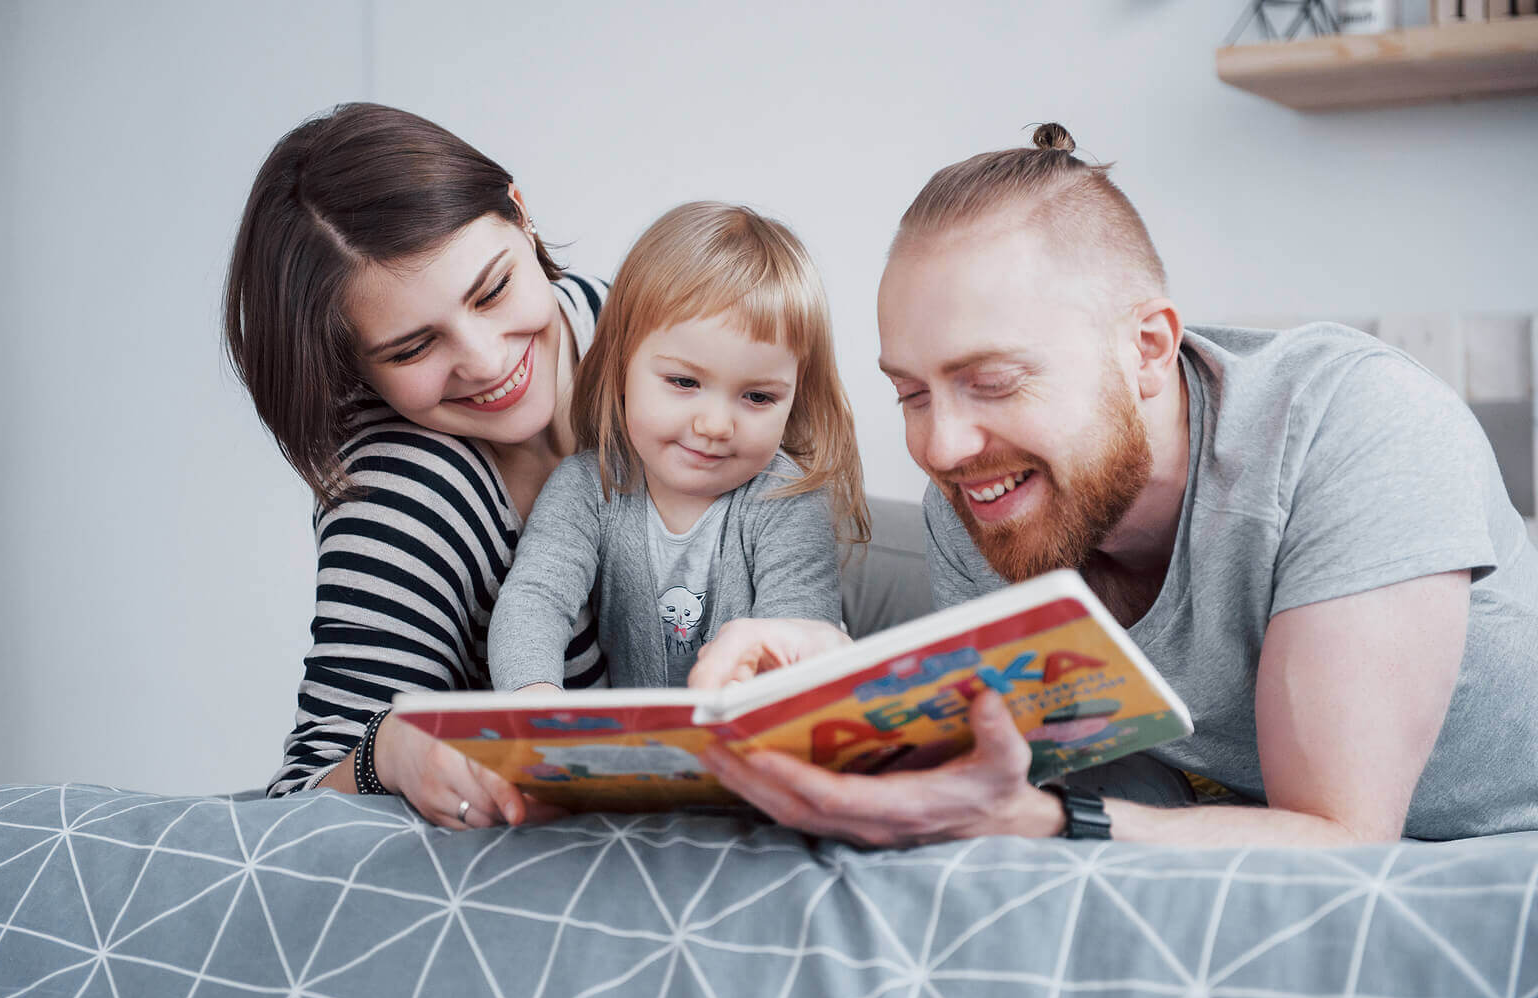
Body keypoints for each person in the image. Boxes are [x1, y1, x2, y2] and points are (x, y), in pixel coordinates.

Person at [693, 122, 1538, 847]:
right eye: (911, 394)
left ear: (1146, 348)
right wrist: (854, 701)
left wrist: (1051, 824)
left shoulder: (1354, 422)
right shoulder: (979, 504)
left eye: (991, 381)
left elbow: (1340, 837)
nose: (942, 447)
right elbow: (1058, 779)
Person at [225, 102, 610, 828]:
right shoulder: (406, 489)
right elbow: (296, 805)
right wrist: (392, 753)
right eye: (411, 348)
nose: (488, 360)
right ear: (355, 369)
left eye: (492, 289)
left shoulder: (640, 326)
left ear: (520, 216)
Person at [488, 202, 869, 691]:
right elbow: (535, 600)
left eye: (757, 396)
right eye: (685, 382)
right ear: (622, 364)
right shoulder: (588, 486)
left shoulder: (787, 499)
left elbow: (794, 637)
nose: (715, 425)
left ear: (794, 396)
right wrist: (533, 701)